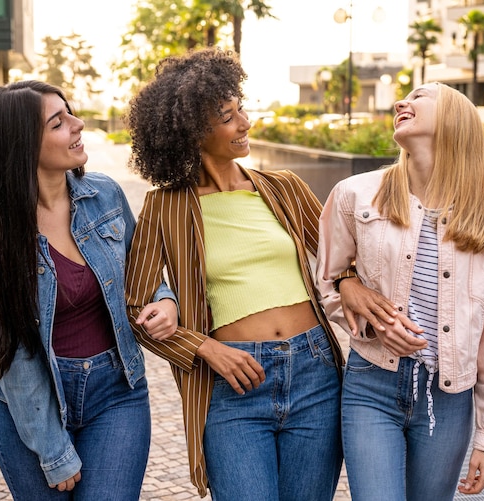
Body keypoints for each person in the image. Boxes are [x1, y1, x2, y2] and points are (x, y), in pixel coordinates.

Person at [124, 47, 344, 500]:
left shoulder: (284, 189)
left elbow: (343, 259)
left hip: (314, 371)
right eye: (228, 116)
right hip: (232, 384)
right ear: (191, 132)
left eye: (240, 108)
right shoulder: (164, 207)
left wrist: (355, 283)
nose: (245, 122)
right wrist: (205, 348)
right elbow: (135, 307)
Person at [0, 80, 178, 500]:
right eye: (59, 122)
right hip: (34, 410)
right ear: (21, 145)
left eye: (69, 113)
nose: (78, 124)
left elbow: (143, 275)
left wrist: (165, 299)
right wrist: (53, 451)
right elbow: (11, 353)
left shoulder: (104, 195)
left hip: (117, 394)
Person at [316, 82, 484, 501]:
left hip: (449, 401)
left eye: (418, 97)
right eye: (404, 98)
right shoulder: (355, 194)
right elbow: (325, 279)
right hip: (370, 384)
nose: (401, 103)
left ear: (454, 120)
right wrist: (355, 298)